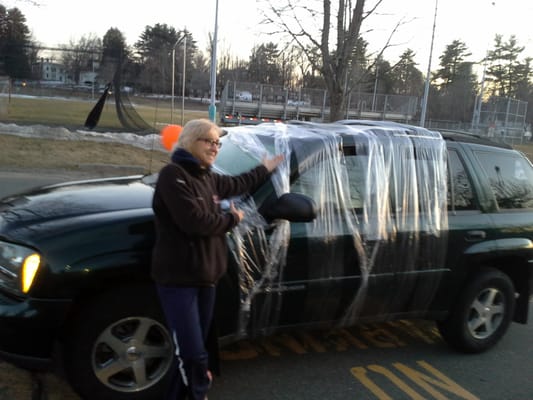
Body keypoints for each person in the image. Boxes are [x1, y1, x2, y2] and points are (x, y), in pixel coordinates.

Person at [151, 118, 283, 400]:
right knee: (192, 353)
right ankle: (199, 393)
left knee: (194, 352)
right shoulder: (173, 176)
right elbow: (194, 222)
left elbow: (238, 183)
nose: (215, 147)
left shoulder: (207, 176)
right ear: (190, 141)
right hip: (179, 280)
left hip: (206, 279)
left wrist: (265, 168)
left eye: (218, 143)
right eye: (209, 141)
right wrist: (231, 219)